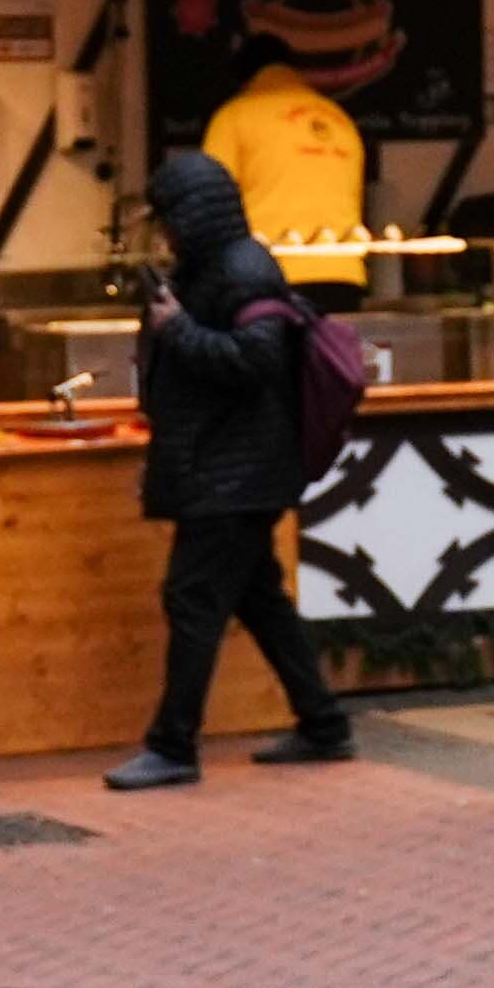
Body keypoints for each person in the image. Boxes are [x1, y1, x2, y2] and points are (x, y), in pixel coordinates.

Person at [100, 147, 353, 794]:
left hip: (236, 473)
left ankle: (173, 745)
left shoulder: (243, 269)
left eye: (169, 219)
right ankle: (324, 725)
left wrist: (176, 328)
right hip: (231, 467)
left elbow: (256, 359)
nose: (163, 233)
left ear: (193, 215)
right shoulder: (213, 267)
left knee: (192, 598)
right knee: (258, 597)